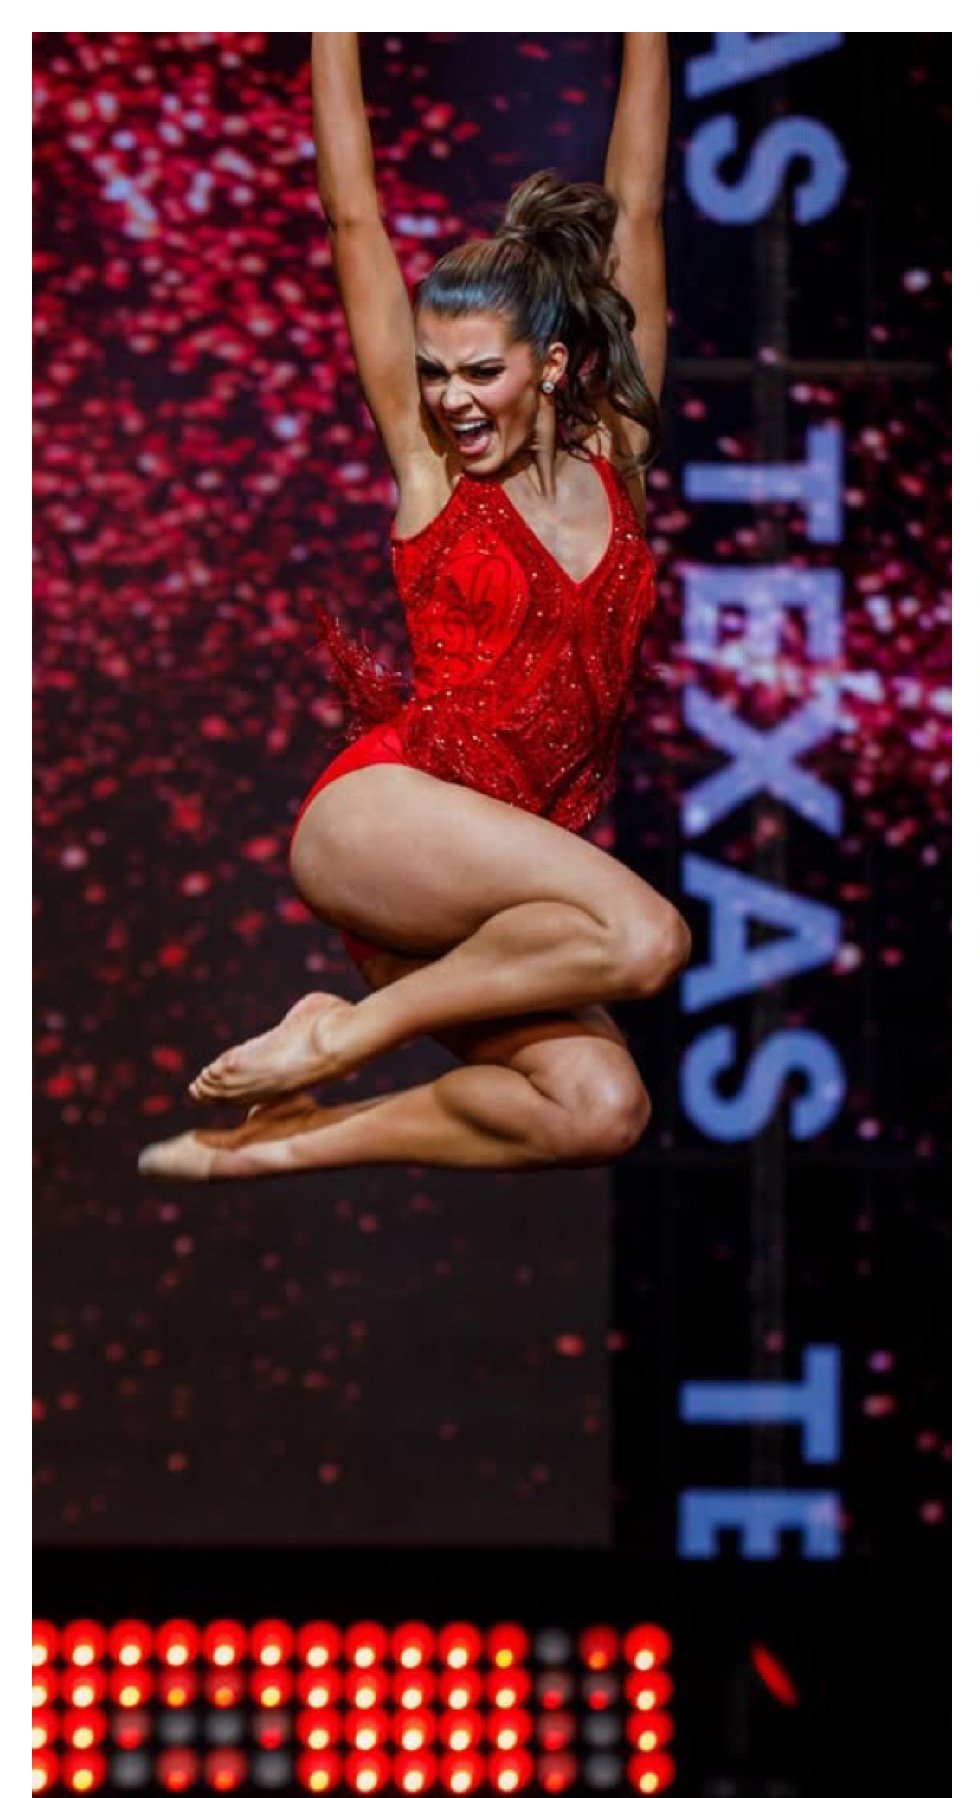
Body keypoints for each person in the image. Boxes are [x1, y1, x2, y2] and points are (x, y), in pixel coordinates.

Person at [138, 32, 688, 1182]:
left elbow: (636, 203)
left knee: (599, 1108)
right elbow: (354, 218)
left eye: (479, 371)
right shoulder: (431, 471)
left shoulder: (618, 456)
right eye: (433, 371)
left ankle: (277, 1143)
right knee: (645, 938)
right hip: (390, 823)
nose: (449, 399)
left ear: (551, 365)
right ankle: (344, 1034)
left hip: (490, 900)